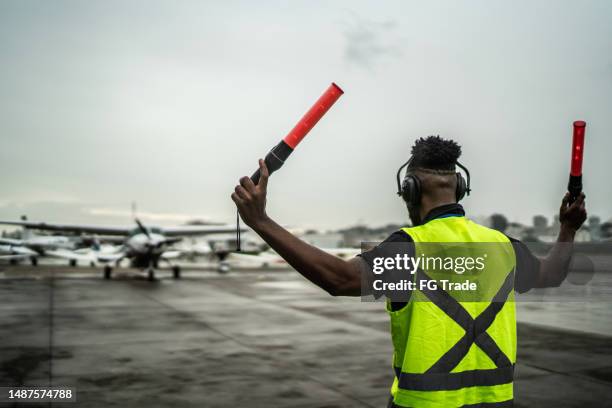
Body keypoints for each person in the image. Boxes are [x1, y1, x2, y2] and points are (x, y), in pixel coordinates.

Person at [231, 135, 587, 408]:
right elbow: (552, 273)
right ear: (460, 187)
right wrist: (567, 229)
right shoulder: (502, 246)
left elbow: (339, 279)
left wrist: (260, 221)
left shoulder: (408, 249)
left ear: (409, 190)